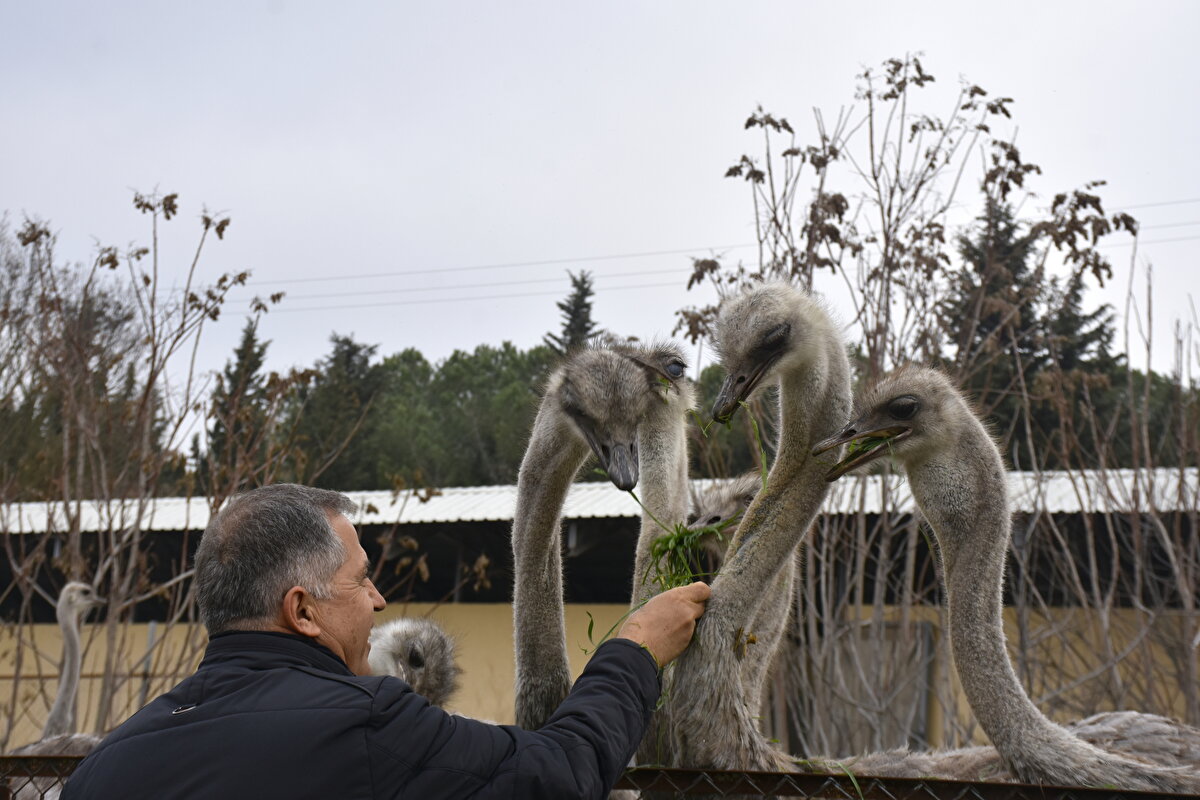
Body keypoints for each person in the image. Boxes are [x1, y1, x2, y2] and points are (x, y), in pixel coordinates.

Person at [64, 484, 710, 799]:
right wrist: (634, 650)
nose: (377, 600)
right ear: (303, 611)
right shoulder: (365, 723)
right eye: (362, 580)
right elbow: (556, 774)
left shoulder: (107, 766)